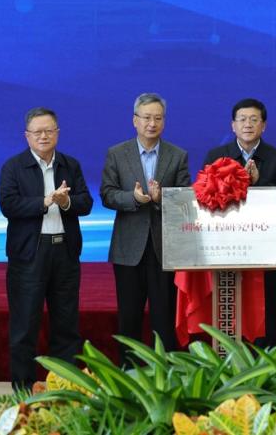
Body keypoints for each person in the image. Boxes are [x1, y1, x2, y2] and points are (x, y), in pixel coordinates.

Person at [0, 107, 93, 391]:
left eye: (49, 131)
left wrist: (65, 203)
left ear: (57, 133)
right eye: (37, 132)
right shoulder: (14, 167)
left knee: (66, 324)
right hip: (30, 254)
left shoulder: (70, 165)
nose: (43, 136)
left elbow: (86, 203)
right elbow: (8, 205)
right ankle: (23, 389)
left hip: (65, 252)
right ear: (27, 136)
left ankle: (65, 387)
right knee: (25, 324)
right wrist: (44, 201)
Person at [101, 93, 190, 361]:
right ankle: (129, 372)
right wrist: (134, 199)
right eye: (147, 117)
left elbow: (186, 199)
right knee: (129, 316)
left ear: (164, 121)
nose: (152, 123)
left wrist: (163, 198)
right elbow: (107, 194)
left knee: (164, 317)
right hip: (128, 248)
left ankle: (166, 370)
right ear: (135, 120)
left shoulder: (177, 155)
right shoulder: (117, 153)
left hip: (165, 249)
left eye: (158, 118)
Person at [202, 97, 276, 346]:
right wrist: (241, 184)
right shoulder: (216, 156)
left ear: (263, 126)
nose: (247, 124)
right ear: (232, 125)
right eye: (242, 119)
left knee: (265, 310)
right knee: (227, 308)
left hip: (265, 249)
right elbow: (204, 197)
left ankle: (263, 361)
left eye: (254, 120)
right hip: (225, 248)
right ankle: (225, 358)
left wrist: (258, 184)